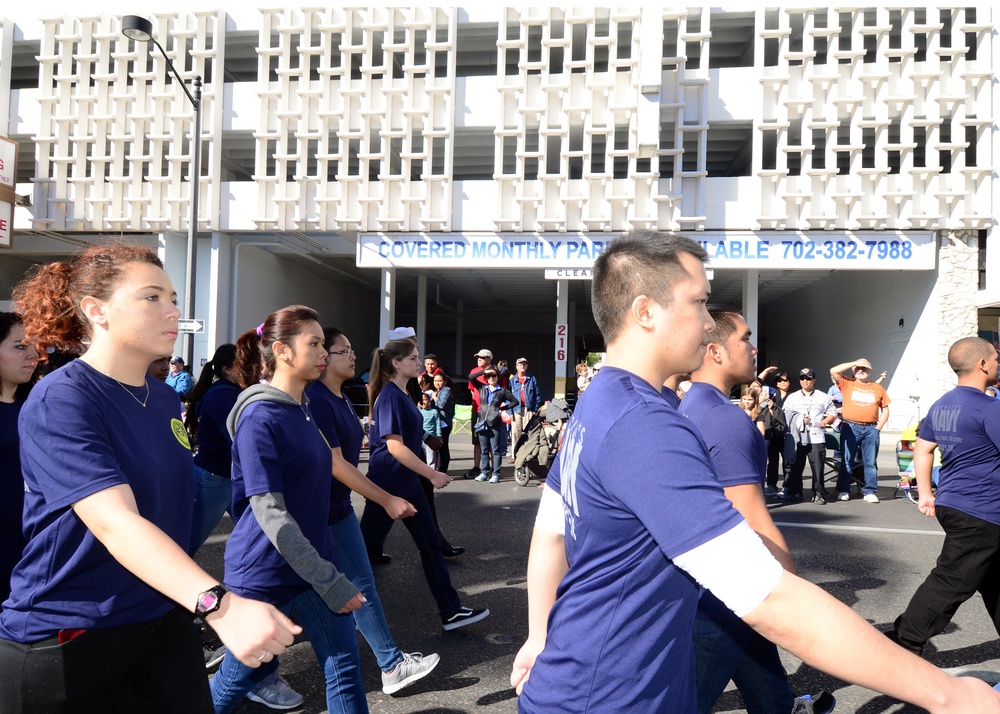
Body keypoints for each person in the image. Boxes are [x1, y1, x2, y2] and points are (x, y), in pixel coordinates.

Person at [510, 230, 1000, 713]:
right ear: (645, 312)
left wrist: (538, 638)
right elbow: (767, 598)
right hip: (608, 698)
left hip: (592, 683)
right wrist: (949, 694)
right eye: (699, 303)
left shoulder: (600, 400)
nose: (708, 323)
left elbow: (549, 534)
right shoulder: (646, 424)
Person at [0, 244, 299, 712]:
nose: (174, 310)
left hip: (162, 618)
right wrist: (221, 606)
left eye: (173, 297)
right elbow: (115, 521)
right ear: (95, 311)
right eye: (152, 297)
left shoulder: (161, 399)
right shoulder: (61, 398)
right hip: (70, 634)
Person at [210, 306, 367, 713]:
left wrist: (326, 571)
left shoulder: (303, 408)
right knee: (235, 680)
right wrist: (329, 579)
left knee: (345, 664)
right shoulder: (259, 417)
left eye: (322, 343)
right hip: (265, 574)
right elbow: (269, 512)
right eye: (313, 344)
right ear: (281, 350)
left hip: (312, 565)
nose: (324, 352)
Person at [681, 308, 812, 714]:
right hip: (722, 591)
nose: (754, 348)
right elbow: (750, 517)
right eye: (745, 338)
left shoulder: (691, 407)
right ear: (716, 351)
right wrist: (791, 591)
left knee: (768, 685)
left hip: (709, 582)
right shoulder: (725, 420)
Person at [306, 326, 441, 695]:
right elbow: (338, 464)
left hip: (336, 507)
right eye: (340, 350)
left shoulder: (342, 397)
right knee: (300, 593)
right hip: (323, 509)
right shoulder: (317, 398)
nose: (352, 356)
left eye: (350, 349)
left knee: (352, 586)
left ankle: (391, 663)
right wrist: (386, 497)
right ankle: (241, 661)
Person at [361, 335, 489, 630]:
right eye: (413, 358)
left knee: (431, 546)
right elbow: (394, 446)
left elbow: (407, 437)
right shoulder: (390, 396)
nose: (420, 363)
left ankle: (451, 610)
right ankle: (339, 611)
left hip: (406, 484)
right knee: (363, 554)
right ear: (396, 363)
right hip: (388, 486)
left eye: (419, 358)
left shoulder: (402, 393)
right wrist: (431, 473)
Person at [888, 337, 1000, 656]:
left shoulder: (943, 403)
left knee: (992, 576)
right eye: (995, 358)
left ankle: (905, 639)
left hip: (953, 502)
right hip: (982, 510)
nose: (997, 363)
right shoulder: (989, 407)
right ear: (982, 364)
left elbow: (923, 449)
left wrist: (926, 493)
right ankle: (904, 642)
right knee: (953, 579)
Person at [185, 344, 242, 554]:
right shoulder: (221, 397)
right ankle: (165, 584)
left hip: (226, 477)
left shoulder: (230, 392)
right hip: (214, 477)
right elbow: (237, 439)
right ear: (227, 369)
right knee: (190, 540)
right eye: (242, 362)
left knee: (257, 532)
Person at [0, 313, 40, 603]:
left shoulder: (36, 405)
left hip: (29, 542)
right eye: (20, 346)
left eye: (34, 347)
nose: (33, 355)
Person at [829, 357, 891, 503]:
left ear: (870, 371)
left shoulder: (878, 388)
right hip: (850, 427)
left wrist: (878, 428)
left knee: (870, 462)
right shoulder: (846, 383)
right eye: (858, 368)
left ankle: (869, 491)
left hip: (871, 429)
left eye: (864, 368)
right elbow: (833, 371)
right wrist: (854, 363)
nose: (861, 371)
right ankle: (844, 490)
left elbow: (886, 409)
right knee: (847, 460)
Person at [779, 368, 837, 505]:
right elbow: (785, 415)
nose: (805, 381)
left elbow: (832, 413)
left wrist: (825, 422)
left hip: (816, 437)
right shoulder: (792, 397)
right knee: (796, 467)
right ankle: (796, 492)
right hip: (798, 438)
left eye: (808, 378)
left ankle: (818, 493)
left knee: (818, 468)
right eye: (802, 378)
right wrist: (799, 419)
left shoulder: (823, 396)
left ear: (814, 380)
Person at [474, 366, 518, 484]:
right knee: (484, 449)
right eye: (489, 376)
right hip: (482, 422)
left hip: (495, 423)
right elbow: (471, 377)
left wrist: (503, 408)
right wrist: (484, 371)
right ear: (486, 378)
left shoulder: (502, 390)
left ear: (498, 377)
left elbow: (515, 401)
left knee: (495, 450)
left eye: (494, 375)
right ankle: (484, 472)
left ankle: (496, 474)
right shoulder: (482, 388)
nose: (491, 378)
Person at [464, 348, 495, 479]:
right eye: (478, 357)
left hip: (492, 410)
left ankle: (494, 469)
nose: (479, 359)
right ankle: (477, 467)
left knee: (493, 441)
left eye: (482, 357)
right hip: (477, 410)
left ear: (489, 359)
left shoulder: (495, 372)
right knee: (477, 441)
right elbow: (472, 390)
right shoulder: (474, 372)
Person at [510, 357, 542, 450]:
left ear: (527, 366)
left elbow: (537, 395)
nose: (522, 366)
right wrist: (510, 412)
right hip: (516, 410)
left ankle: (526, 454)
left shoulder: (532, 378)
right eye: (520, 364)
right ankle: (515, 455)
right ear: (516, 367)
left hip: (529, 409)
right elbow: (508, 398)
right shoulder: (512, 381)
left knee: (528, 432)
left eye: (524, 364)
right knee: (516, 433)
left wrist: (534, 410)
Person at [419, 392, 441, 468]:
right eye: (421, 400)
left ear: (429, 400)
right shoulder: (418, 412)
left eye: (425, 399)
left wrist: (439, 435)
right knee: (421, 457)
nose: (423, 402)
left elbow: (438, 424)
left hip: (431, 437)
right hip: (420, 438)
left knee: (431, 457)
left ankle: (432, 473)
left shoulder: (434, 412)